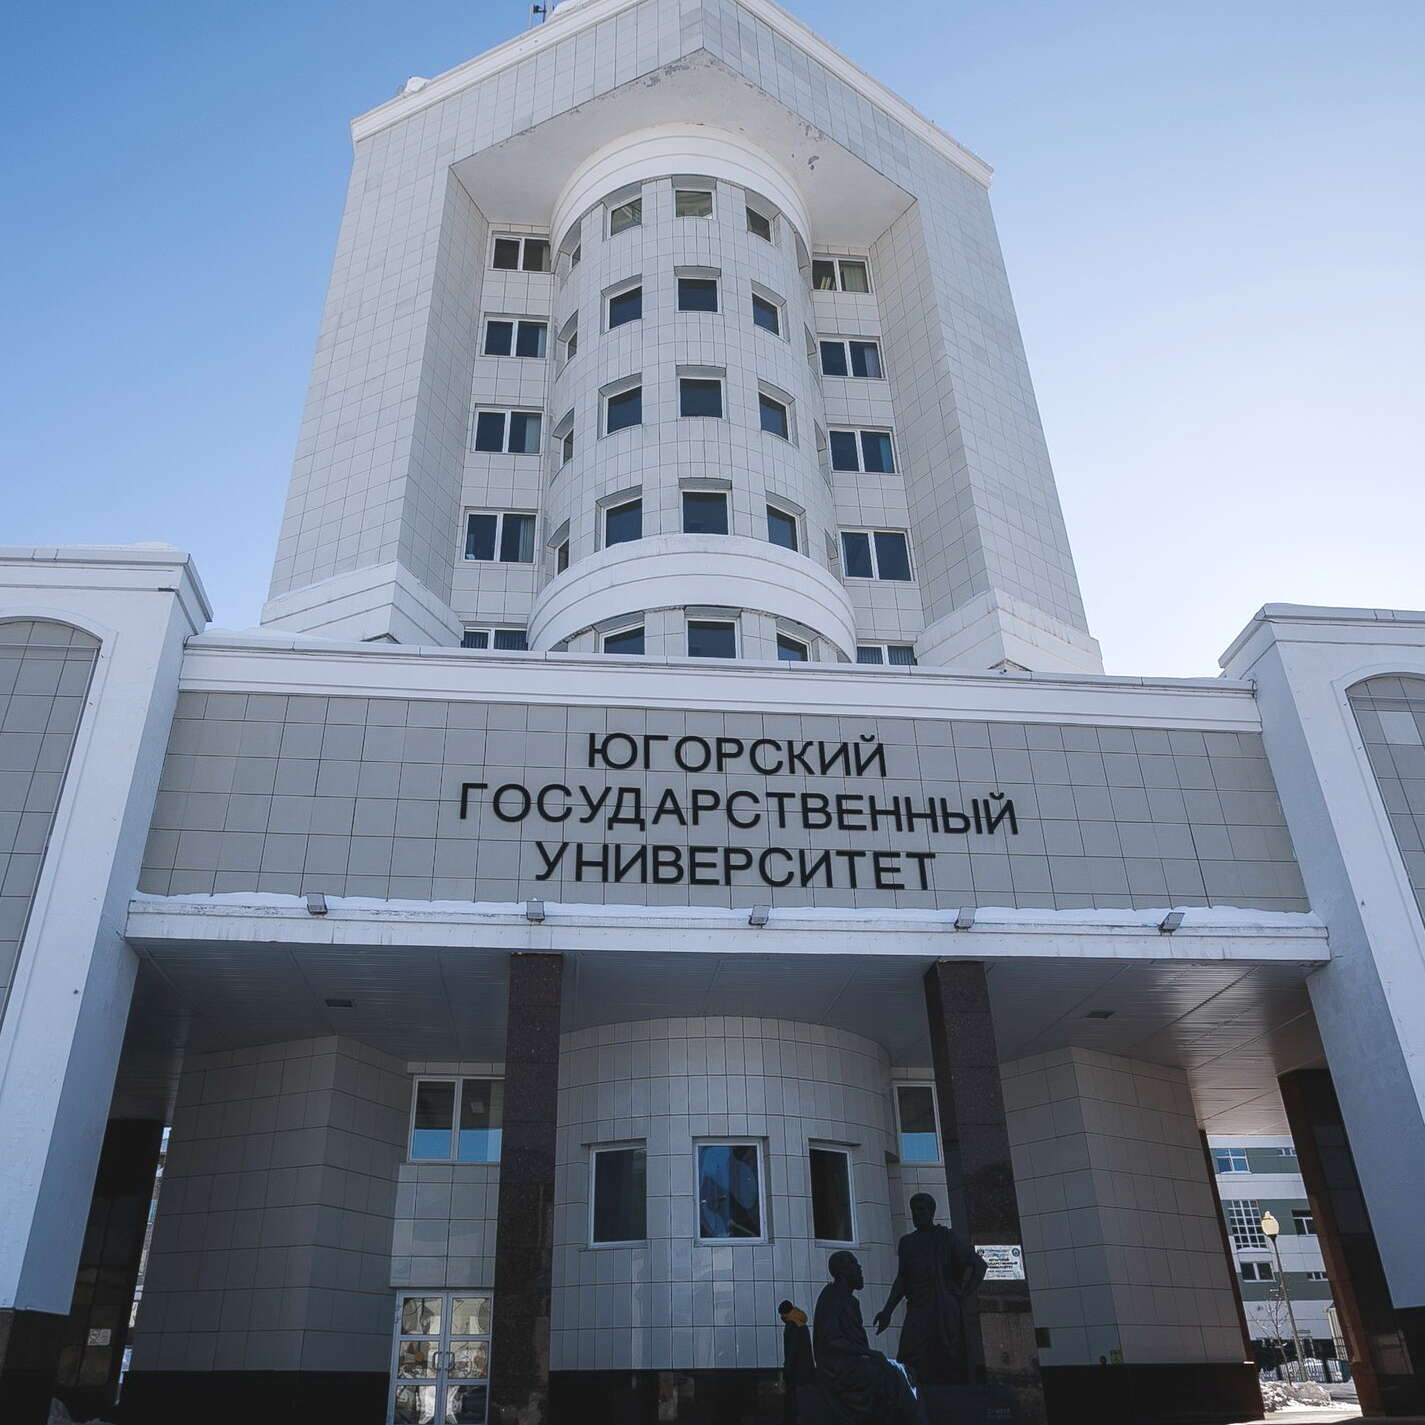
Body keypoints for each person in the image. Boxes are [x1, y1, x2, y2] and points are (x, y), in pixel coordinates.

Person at [874, 1193, 987, 1387]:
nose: (917, 1214)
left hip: (942, 1309)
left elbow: (978, 1265)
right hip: (918, 1308)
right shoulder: (907, 1242)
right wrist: (887, 1311)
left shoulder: (946, 1237)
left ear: (931, 1212)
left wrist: (961, 1295)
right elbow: (902, 1279)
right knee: (909, 1355)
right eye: (914, 1210)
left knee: (946, 1360)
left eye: (922, 1210)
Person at [813, 1250, 923, 1425]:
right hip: (838, 1369)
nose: (860, 1268)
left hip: (853, 1363)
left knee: (899, 1370)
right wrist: (869, 1353)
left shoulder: (850, 1300)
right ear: (843, 1271)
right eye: (854, 1264)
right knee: (890, 1373)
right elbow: (831, 1341)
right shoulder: (831, 1297)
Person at [778, 1299, 816, 1423]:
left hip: (795, 1374)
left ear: (784, 1313)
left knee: (793, 1406)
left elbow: (791, 1351)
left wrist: (787, 1371)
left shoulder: (791, 1326)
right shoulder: (802, 1325)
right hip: (807, 1373)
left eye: (781, 1315)